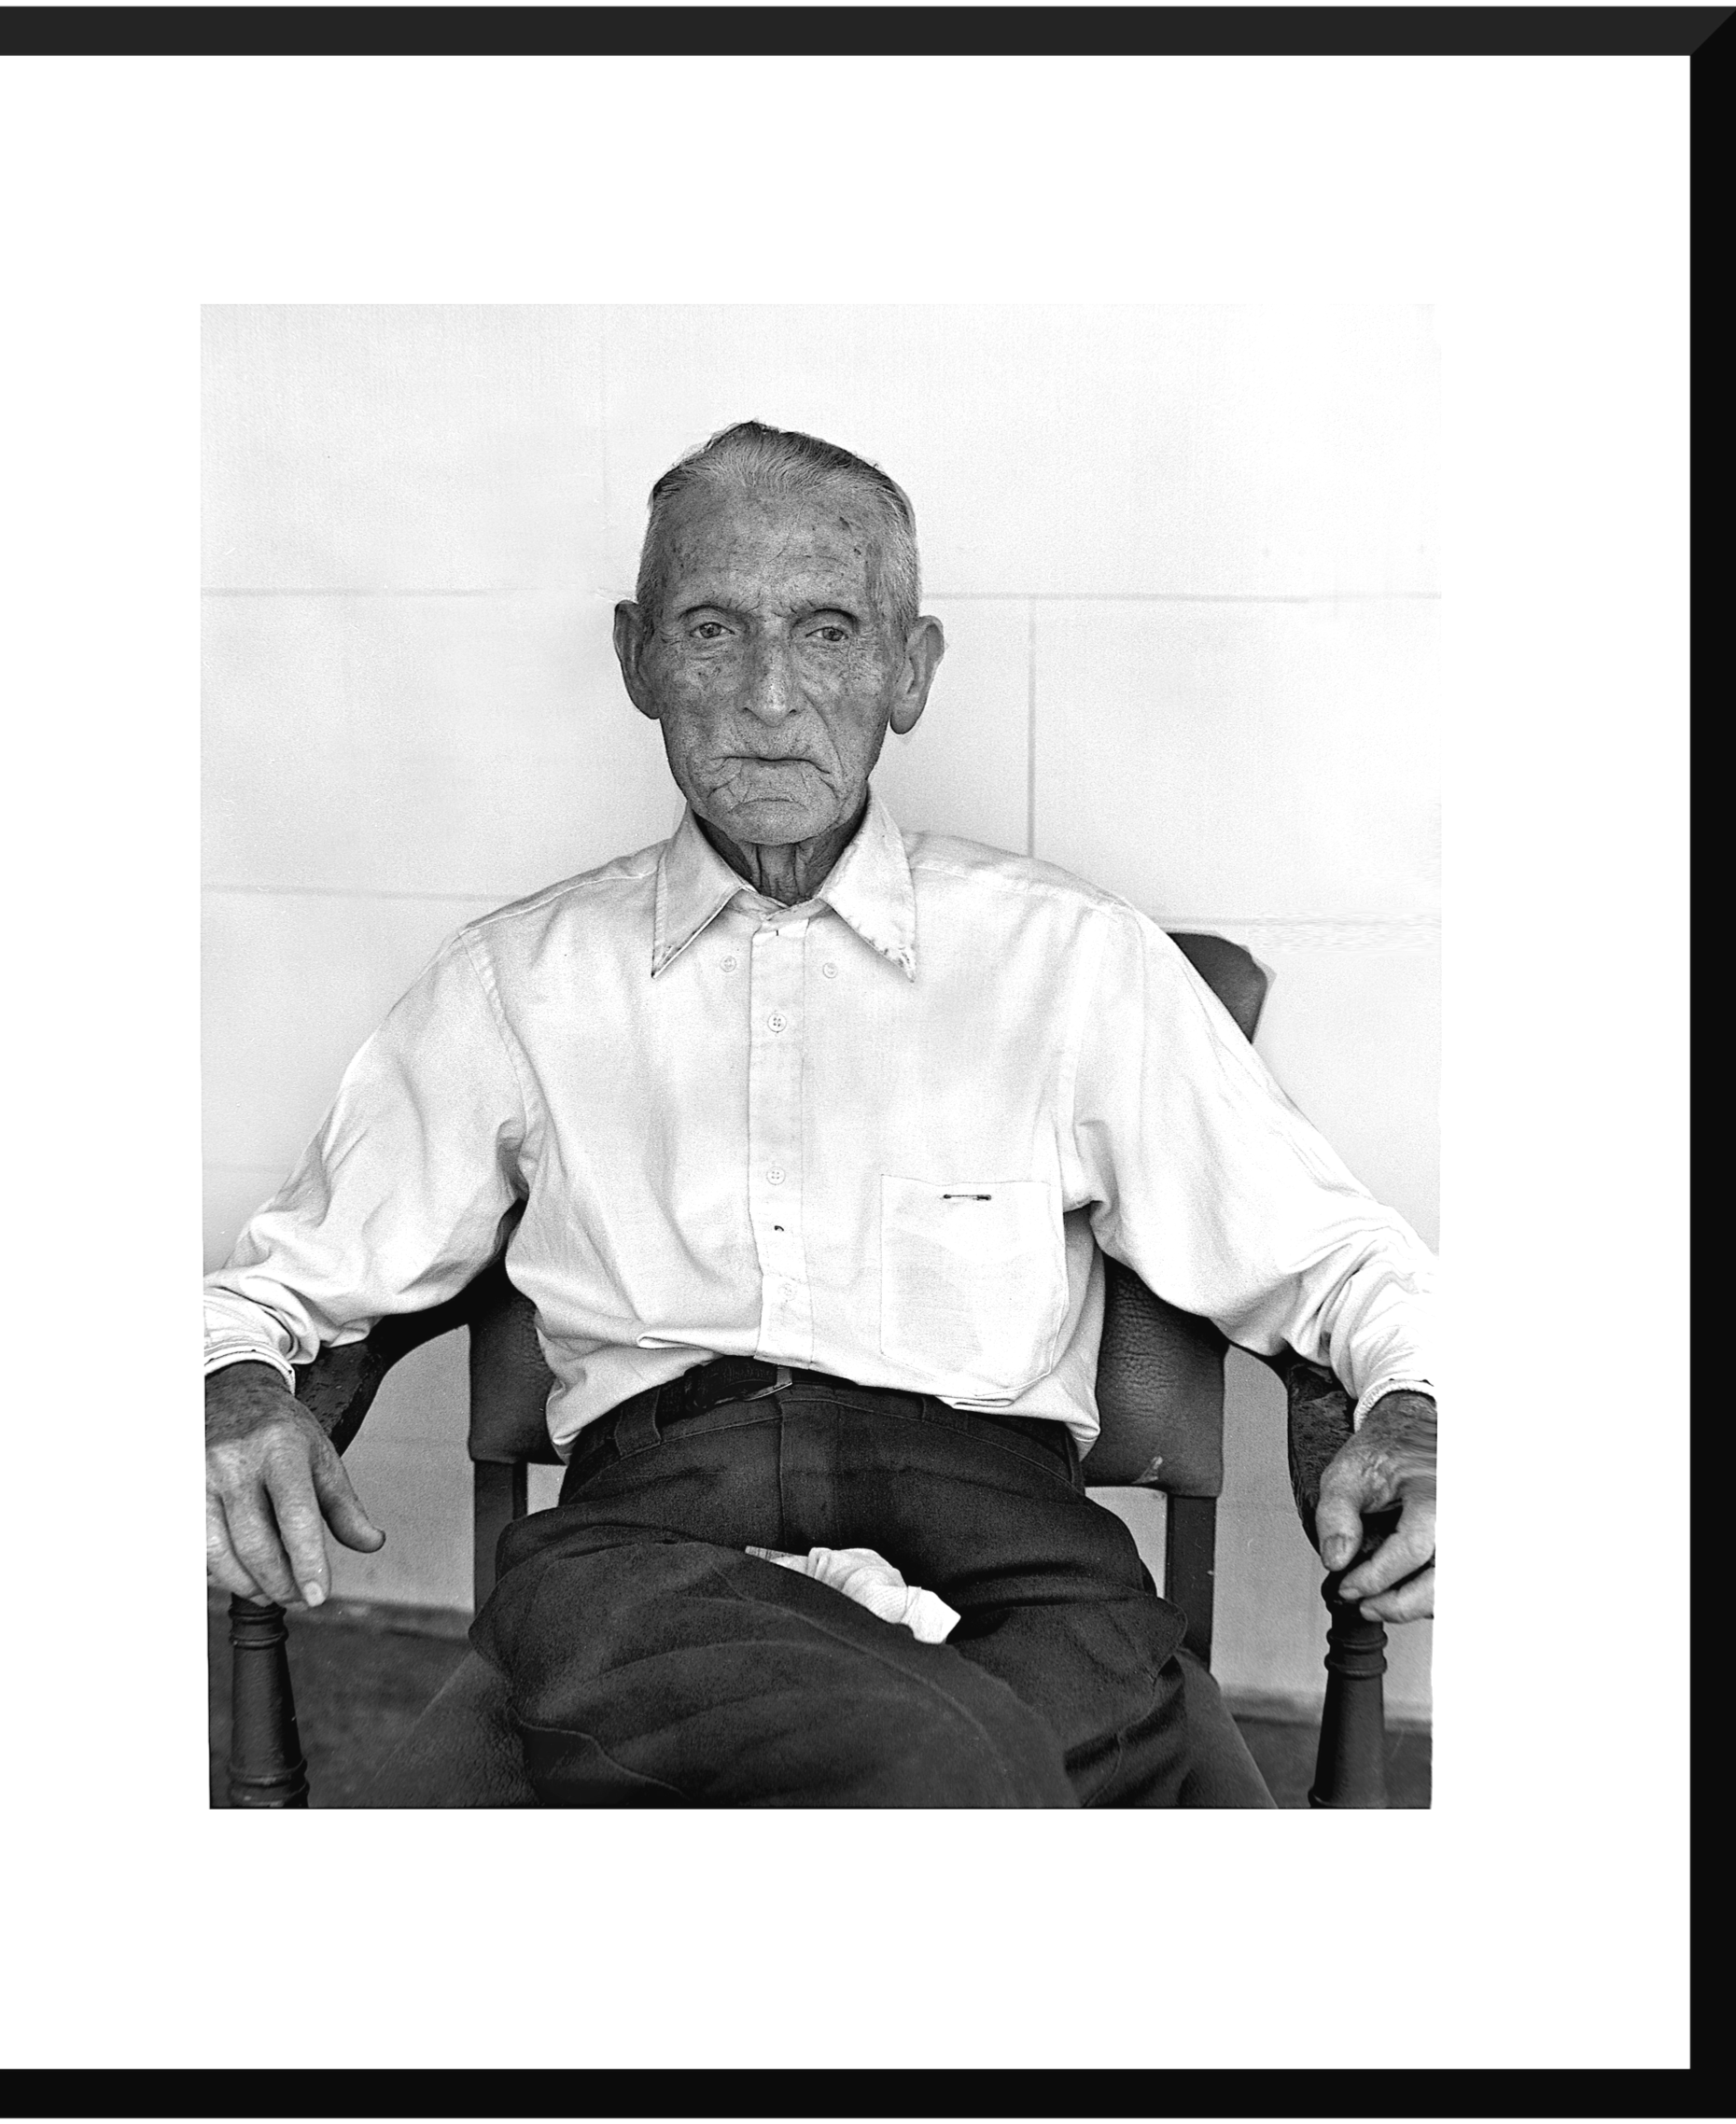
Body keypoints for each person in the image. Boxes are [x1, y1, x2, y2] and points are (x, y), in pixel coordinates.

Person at [203, 420, 1437, 1807]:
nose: (770, 696)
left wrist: (1417, 1413)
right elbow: (276, 1292)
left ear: (912, 673)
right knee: (953, 1764)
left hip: (1012, 1547)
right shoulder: (515, 983)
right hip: (652, 1554)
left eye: (832, 631)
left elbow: (1341, 1263)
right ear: (637, 657)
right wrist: (238, 1389)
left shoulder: (1075, 961)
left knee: (945, 1757)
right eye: (714, 629)